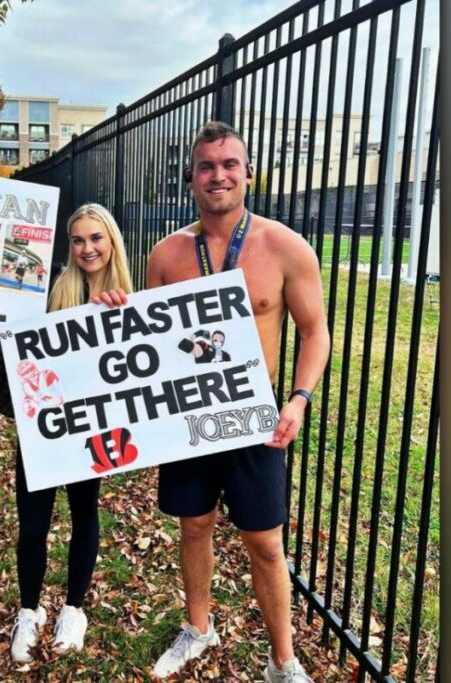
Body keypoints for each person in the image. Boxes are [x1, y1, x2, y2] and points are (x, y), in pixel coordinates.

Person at [97, 121, 329, 681]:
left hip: (254, 415)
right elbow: (144, 340)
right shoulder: (167, 253)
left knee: (266, 544)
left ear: (248, 173)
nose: (218, 175)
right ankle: (198, 628)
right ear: (191, 178)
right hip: (187, 415)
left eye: (229, 164)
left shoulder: (284, 247)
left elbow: (315, 332)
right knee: (194, 526)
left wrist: (297, 400)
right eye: (207, 166)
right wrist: (114, 312)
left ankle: (283, 662)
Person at [9, 203, 134, 664]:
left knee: (85, 514)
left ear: (112, 241)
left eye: (96, 238)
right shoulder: (48, 285)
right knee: (33, 525)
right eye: (78, 239)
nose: (87, 248)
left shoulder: (131, 298)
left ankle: (74, 609)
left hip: (90, 430)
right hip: (42, 428)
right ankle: (29, 611)